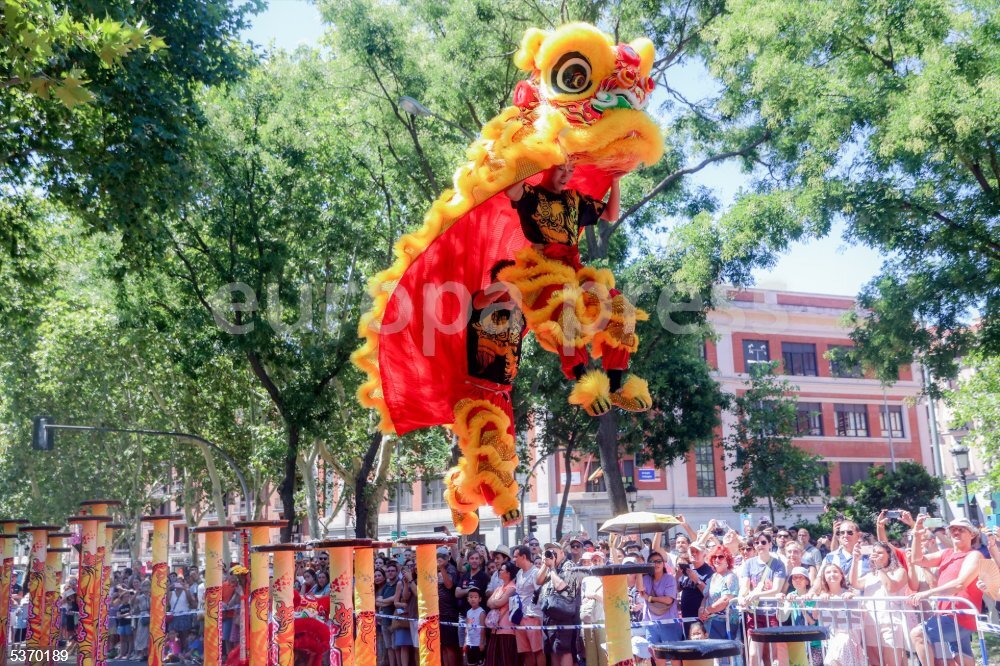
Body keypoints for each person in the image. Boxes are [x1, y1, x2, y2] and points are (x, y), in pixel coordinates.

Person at [503, 162, 650, 416]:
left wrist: (615, 180)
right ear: (548, 167)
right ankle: (584, 381)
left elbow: (611, 215)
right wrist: (535, 158)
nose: (566, 176)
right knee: (565, 307)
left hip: (574, 270)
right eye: (561, 169)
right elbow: (510, 191)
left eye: (570, 171)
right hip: (544, 273)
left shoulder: (574, 199)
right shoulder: (530, 194)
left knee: (621, 307)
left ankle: (615, 387)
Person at [908, 517, 984, 666]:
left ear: (972, 534)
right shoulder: (946, 553)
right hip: (949, 614)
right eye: (953, 529)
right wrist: (916, 533)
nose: (956, 532)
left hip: (960, 616)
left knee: (918, 634)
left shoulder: (974, 555)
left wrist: (927, 593)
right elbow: (917, 559)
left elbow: (960, 583)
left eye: (961, 529)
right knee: (962, 656)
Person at [849, 540, 909, 666]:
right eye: (874, 552)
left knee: (892, 663)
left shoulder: (900, 571)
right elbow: (854, 583)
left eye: (880, 553)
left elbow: (891, 588)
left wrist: (880, 567)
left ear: (889, 555)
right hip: (870, 622)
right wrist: (855, 560)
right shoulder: (871, 575)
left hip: (891, 622)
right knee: (875, 663)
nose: (876, 555)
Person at [738, 531, 786, 665]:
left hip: (771, 614)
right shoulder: (749, 564)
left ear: (770, 544)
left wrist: (756, 594)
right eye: (757, 542)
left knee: (770, 656)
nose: (760, 545)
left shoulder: (778, 564)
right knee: (753, 654)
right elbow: (745, 586)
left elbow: (776, 589)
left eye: (763, 542)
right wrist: (742, 597)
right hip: (754, 614)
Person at [811, 563, 864, 666]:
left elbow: (863, 615)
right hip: (831, 637)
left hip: (850, 636)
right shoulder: (822, 595)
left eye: (835, 571)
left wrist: (853, 599)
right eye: (828, 572)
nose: (832, 574)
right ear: (824, 577)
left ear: (841, 575)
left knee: (841, 644)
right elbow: (815, 615)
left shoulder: (850, 592)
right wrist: (819, 602)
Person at [537, 543, 580, 666]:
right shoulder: (550, 567)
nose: (551, 555)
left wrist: (552, 569)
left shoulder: (568, 565)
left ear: (562, 553)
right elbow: (538, 580)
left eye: (554, 552)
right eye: (548, 552)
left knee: (564, 651)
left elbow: (560, 586)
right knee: (552, 650)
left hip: (564, 615)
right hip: (549, 615)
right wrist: (546, 564)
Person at [642, 550, 681, 665]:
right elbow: (640, 591)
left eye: (659, 561)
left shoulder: (669, 579)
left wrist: (650, 598)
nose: (656, 564)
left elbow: (668, 600)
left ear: (663, 563)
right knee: (657, 656)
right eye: (652, 562)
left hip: (669, 622)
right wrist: (639, 570)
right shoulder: (645, 579)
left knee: (675, 655)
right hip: (651, 624)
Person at [700, 546, 740, 644]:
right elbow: (706, 596)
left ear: (727, 560)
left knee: (723, 656)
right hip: (710, 622)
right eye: (714, 557)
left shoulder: (730, 577)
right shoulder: (713, 576)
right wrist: (701, 609)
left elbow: (726, 600)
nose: (717, 559)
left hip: (724, 623)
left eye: (720, 557)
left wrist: (707, 610)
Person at [512, 545, 543, 666]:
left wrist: (533, 614)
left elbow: (541, 594)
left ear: (523, 557)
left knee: (538, 651)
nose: (513, 559)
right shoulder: (519, 572)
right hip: (519, 618)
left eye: (515, 557)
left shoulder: (536, 573)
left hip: (533, 617)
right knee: (526, 652)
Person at [485, 561, 518, 666]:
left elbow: (499, 602)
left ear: (508, 573)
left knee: (506, 660)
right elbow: (488, 603)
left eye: (501, 570)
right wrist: (495, 602)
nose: (499, 571)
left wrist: (495, 602)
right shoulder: (499, 588)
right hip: (495, 628)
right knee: (491, 659)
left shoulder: (512, 588)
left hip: (506, 629)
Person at [676, 543, 713, 636]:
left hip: (701, 617)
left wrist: (697, 580)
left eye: (697, 552)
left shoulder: (709, 571)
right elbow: (677, 589)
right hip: (686, 617)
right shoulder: (687, 569)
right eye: (692, 551)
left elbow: (709, 593)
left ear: (704, 555)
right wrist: (677, 577)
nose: (694, 554)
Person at [579, 551, 607, 666]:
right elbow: (583, 600)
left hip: (603, 620)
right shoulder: (586, 580)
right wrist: (595, 597)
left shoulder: (608, 578)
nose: (596, 563)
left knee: (604, 654)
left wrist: (594, 596)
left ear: (604, 562)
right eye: (594, 560)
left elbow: (606, 600)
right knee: (590, 655)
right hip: (588, 620)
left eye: (599, 560)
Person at [437, 547, 461, 666]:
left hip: (449, 613)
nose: (439, 559)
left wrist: (442, 568)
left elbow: (449, 585)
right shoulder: (435, 570)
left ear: (447, 557)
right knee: (443, 645)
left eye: (442, 557)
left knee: (450, 646)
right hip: (439, 613)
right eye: (437, 557)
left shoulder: (450, 569)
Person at [378, 561, 400, 666]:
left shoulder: (399, 583)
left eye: (392, 571)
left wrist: (384, 601)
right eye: (388, 571)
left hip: (395, 621)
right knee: (389, 647)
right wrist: (387, 601)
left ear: (396, 572)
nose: (390, 573)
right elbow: (377, 600)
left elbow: (395, 598)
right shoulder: (386, 585)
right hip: (384, 621)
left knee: (396, 647)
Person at [465, 588, 486, 666]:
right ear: (468, 599)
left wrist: (482, 643)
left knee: (480, 664)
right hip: (470, 643)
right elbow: (467, 628)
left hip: (478, 644)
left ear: (480, 599)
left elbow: (482, 629)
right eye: (470, 597)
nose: (473, 599)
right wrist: (465, 642)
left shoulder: (481, 612)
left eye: (475, 597)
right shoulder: (468, 612)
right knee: (470, 663)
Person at [133, 579, 151, 661]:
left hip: (151, 617)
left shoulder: (151, 596)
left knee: (149, 636)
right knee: (142, 636)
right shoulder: (140, 597)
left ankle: (148, 653)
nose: (146, 587)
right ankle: (143, 654)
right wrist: (137, 592)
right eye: (145, 585)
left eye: (148, 585)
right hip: (143, 617)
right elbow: (132, 603)